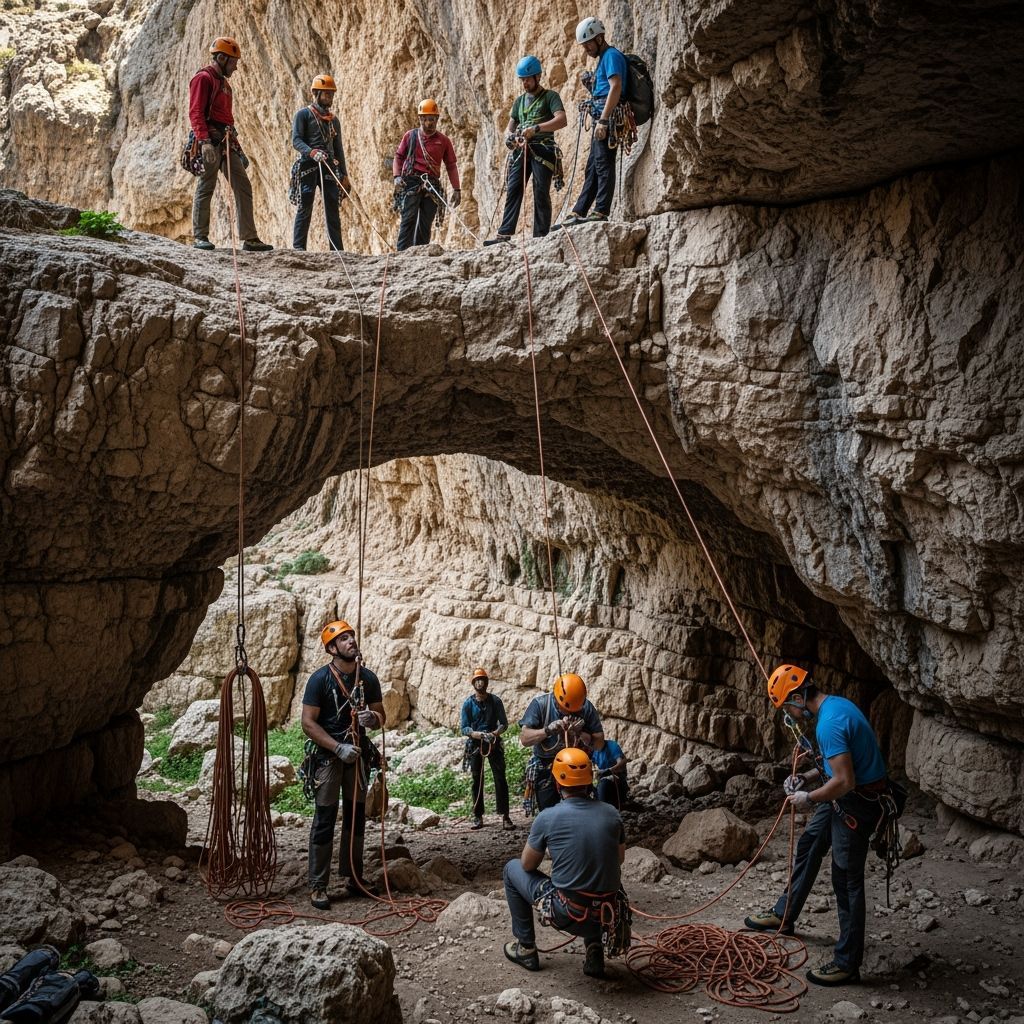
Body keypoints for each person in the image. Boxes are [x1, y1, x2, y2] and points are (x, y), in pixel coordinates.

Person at [743, 664, 890, 986]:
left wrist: (808, 798)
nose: (789, 716)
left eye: (787, 708)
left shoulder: (829, 724)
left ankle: (847, 963)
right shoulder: (835, 706)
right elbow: (837, 766)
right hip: (844, 794)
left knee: (846, 878)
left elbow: (845, 781)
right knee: (810, 844)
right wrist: (807, 778)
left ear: (798, 697)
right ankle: (785, 912)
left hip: (854, 801)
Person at [502, 747, 625, 979]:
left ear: (558, 784)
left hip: (568, 914)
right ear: (590, 781)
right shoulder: (612, 814)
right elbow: (618, 859)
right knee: (596, 873)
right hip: (606, 916)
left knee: (512, 869)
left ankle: (526, 947)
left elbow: (527, 865)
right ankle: (594, 947)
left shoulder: (547, 817)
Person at [301, 619, 387, 909]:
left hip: (358, 755)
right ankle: (318, 884)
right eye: (344, 638)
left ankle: (354, 876)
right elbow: (308, 723)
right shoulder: (319, 680)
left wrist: (371, 719)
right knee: (325, 817)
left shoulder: (368, 678)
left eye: (352, 636)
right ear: (332, 648)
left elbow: (381, 717)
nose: (351, 641)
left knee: (356, 815)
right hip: (329, 756)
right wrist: (337, 747)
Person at [188, 37, 272, 252]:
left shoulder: (224, 84)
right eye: (233, 62)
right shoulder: (203, 79)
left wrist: (233, 143)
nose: (235, 67)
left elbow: (225, 117)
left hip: (226, 140)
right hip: (209, 139)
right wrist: (204, 141)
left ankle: (249, 238)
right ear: (222, 58)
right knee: (207, 185)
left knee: (243, 185)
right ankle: (200, 236)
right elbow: (196, 111)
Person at [483, 56, 567, 245]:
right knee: (513, 188)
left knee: (540, 190)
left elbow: (561, 119)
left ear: (538, 77)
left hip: (542, 149)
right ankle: (504, 234)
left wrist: (537, 128)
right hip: (522, 150)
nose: (525, 83)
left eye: (528, 79)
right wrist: (509, 137)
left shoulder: (550, 97)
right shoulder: (519, 102)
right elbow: (510, 127)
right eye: (522, 80)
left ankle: (541, 235)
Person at [559, 17, 628, 227]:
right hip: (601, 117)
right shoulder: (604, 58)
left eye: (588, 43)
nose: (586, 48)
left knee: (603, 164)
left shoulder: (612, 55)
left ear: (599, 38)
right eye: (584, 45)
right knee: (593, 166)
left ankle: (601, 210)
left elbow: (616, 87)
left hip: (607, 119)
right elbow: (606, 90)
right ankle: (579, 211)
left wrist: (604, 120)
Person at [519, 673, 604, 812]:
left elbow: (599, 743)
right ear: (556, 699)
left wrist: (580, 733)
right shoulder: (540, 705)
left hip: (576, 766)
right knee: (548, 807)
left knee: (579, 807)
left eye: (574, 711)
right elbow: (525, 738)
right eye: (565, 710)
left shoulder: (586, 707)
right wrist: (547, 730)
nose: (569, 714)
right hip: (547, 764)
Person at [392, 99, 461, 251]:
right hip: (411, 181)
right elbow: (398, 157)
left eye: (432, 119)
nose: (429, 123)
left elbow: (451, 166)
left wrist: (457, 189)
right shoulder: (410, 136)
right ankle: (402, 252)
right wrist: (397, 176)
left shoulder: (443, 141)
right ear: (420, 119)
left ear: (437, 119)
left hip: (431, 184)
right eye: (426, 119)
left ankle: (419, 251)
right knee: (408, 219)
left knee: (425, 221)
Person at [291, 74, 349, 251]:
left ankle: (336, 249)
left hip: (328, 167)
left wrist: (344, 175)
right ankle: (299, 247)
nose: (329, 98)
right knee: (305, 205)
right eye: (326, 94)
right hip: (309, 165)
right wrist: (311, 152)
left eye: (331, 94)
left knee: (332, 206)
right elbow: (296, 140)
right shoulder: (303, 115)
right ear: (316, 93)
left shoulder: (333, 121)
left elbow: (338, 149)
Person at [460, 667, 515, 831]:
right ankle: (478, 815)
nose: (480, 683)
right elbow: (464, 728)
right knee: (477, 779)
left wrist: (494, 734)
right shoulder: (468, 704)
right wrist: (478, 735)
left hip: (493, 742)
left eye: (482, 680)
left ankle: (505, 815)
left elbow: (503, 723)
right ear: (473, 683)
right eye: (477, 680)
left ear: (486, 682)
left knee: (500, 778)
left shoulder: (495, 701)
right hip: (476, 744)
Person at [592, 736, 627, 808]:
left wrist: (609, 770)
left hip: (617, 777)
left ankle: (605, 806)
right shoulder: (595, 750)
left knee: (603, 784)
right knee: (593, 784)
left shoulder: (612, 745)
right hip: (603, 776)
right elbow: (593, 763)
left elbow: (621, 763)